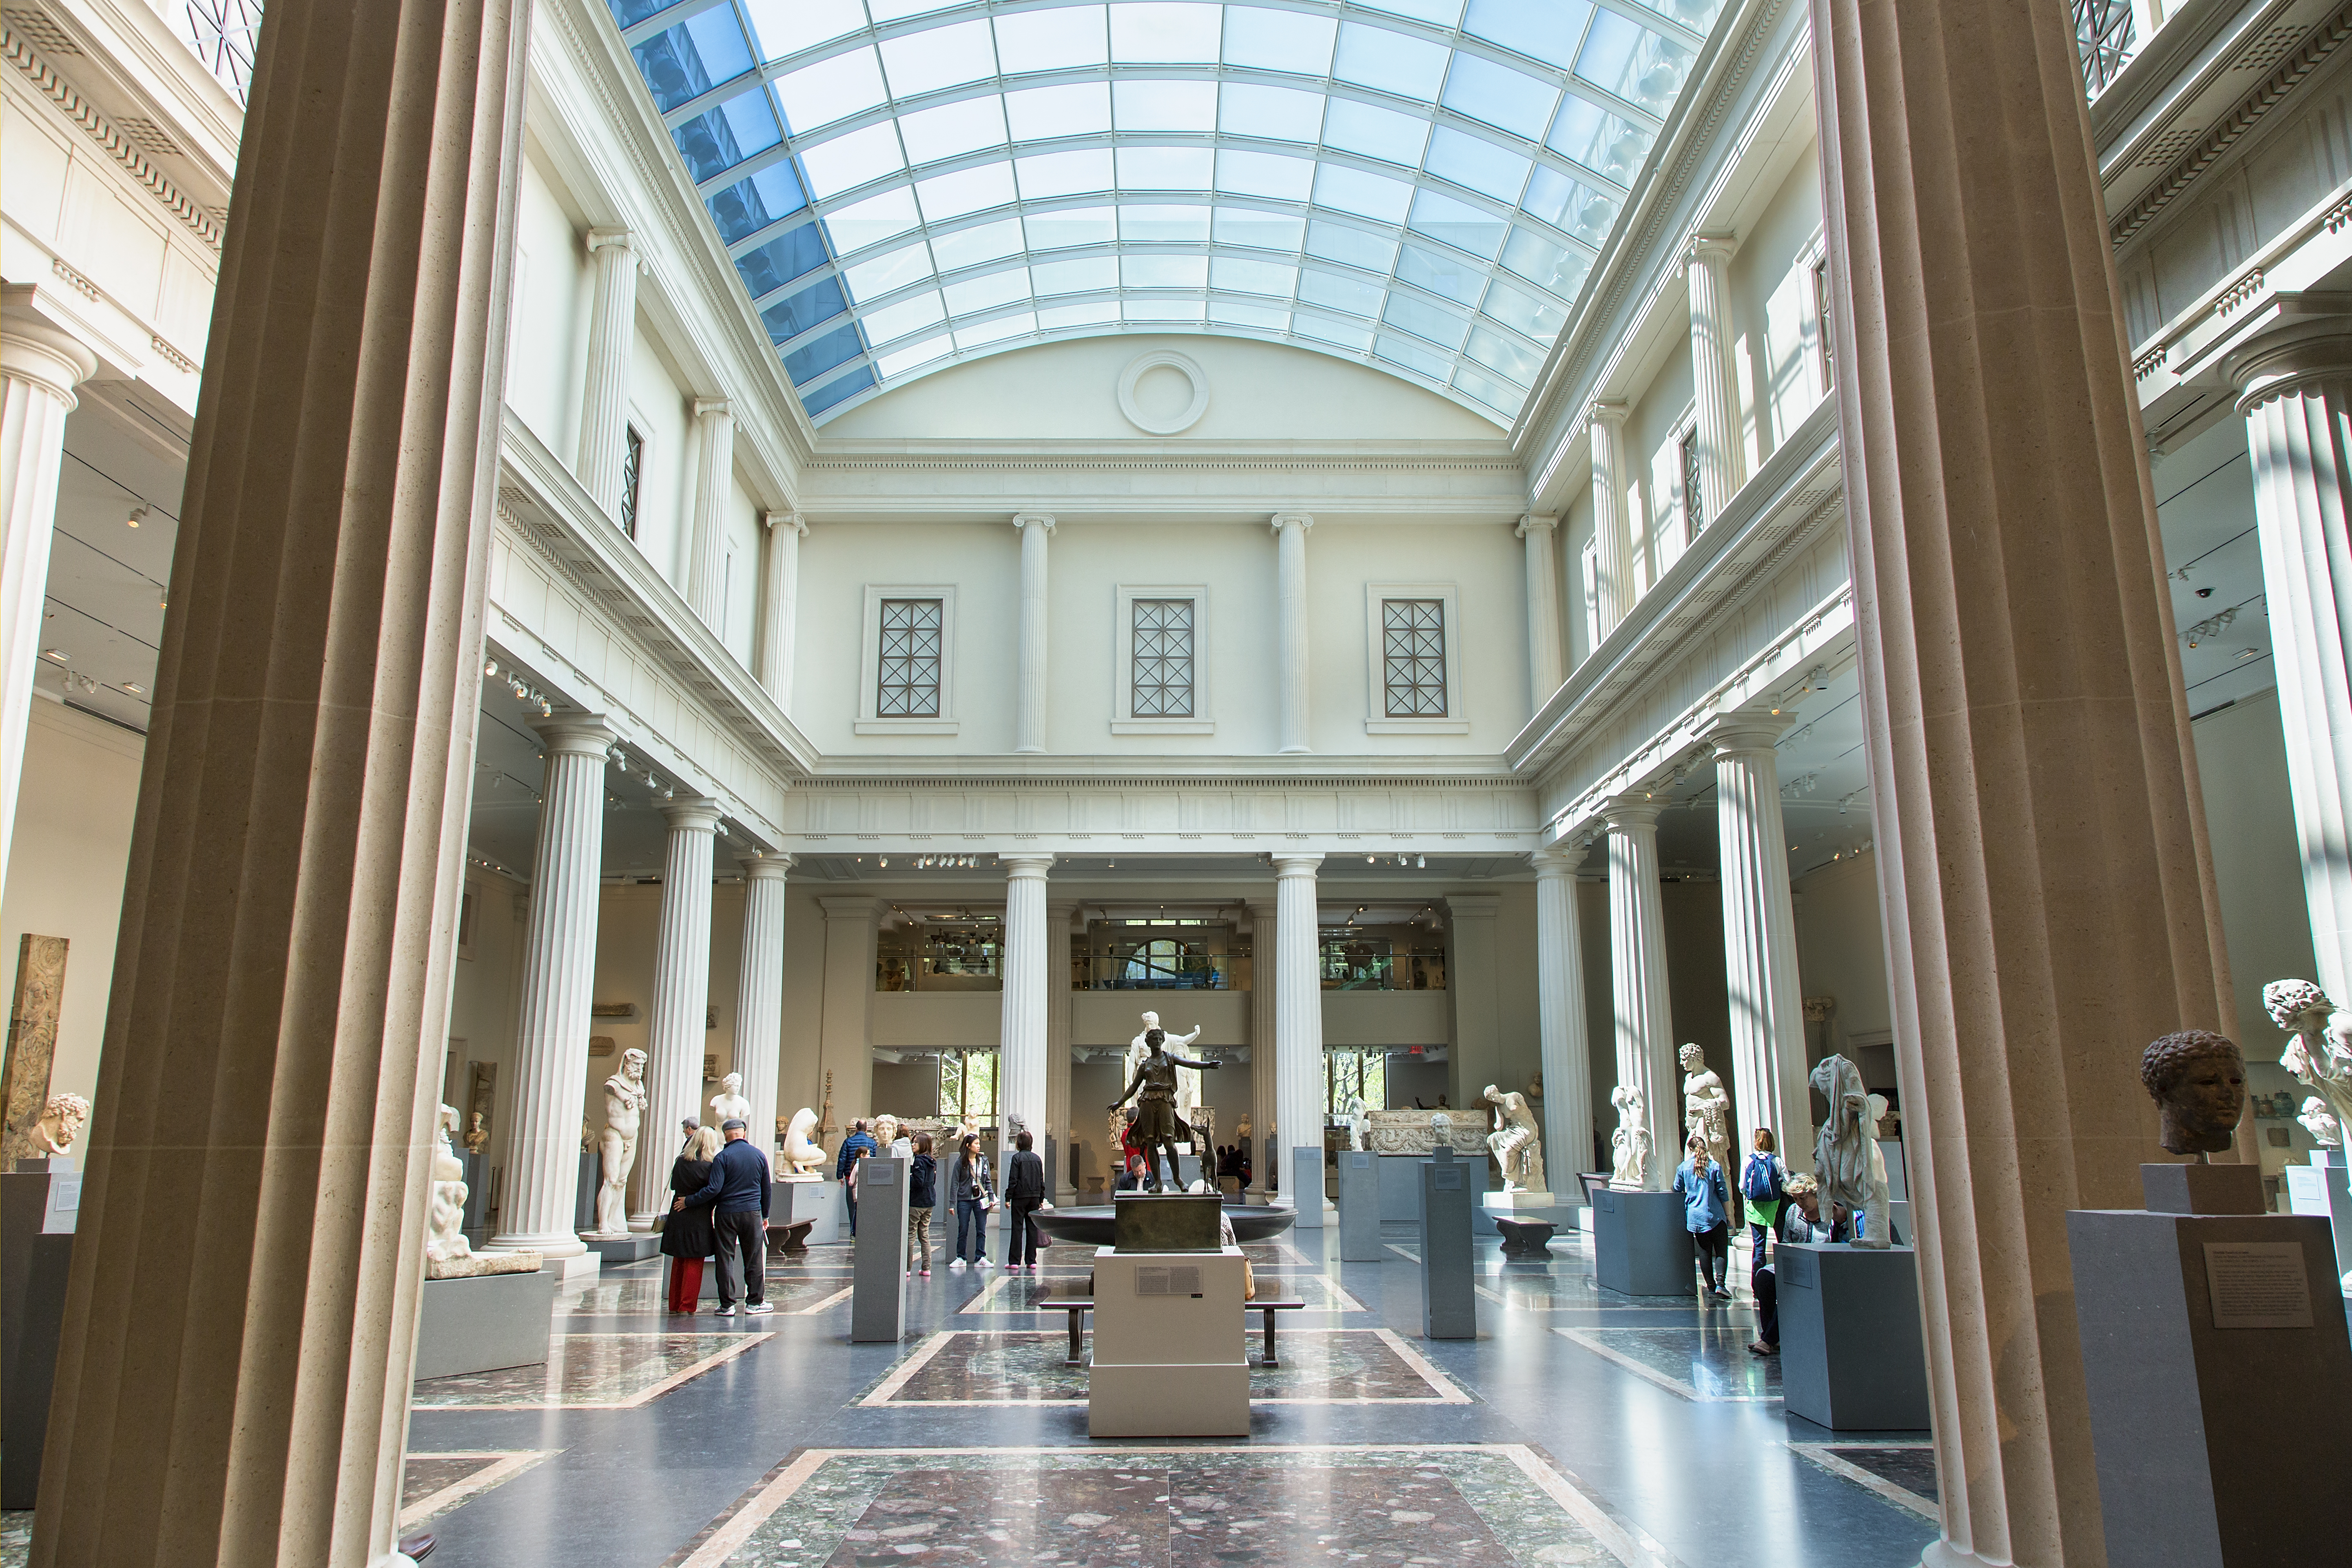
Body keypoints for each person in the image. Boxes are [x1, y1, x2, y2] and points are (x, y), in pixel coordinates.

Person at [673, 1117, 774, 1318]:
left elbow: (714, 1189)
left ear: (726, 1135)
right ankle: (755, 1303)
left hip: (726, 1213)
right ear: (744, 1133)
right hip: (752, 1212)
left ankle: (727, 1305)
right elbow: (767, 1189)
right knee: (754, 1258)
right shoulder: (759, 1155)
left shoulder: (722, 1157)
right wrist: (765, 1215)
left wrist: (689, 1201)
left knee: (725, 1258)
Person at [1751, 1172, 1851, 1355]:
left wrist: (1839, 1219)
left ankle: (1769, 1340)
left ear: (1815, 1193)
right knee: (1764, 1277)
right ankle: (1771, 1336)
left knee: (1796, 1287)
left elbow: (1841, 1242)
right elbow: (1787, 1243)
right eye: (1796, 1199)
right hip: (1795, 1264)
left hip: (1821, 1269)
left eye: (1803, 1198)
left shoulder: (1832, 1213)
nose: (1800, 1203)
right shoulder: (1793, 1213)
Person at [660, 1125, 720, 1313]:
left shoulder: (680, 1162)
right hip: (698, 1217)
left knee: (678, 1261)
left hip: (678, 1214)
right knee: (694, 1263)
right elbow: (713, 1193)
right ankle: (687, 1305)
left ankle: (674, 1304)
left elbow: (674, 1186)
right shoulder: (709, 1167)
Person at [1671, 1132, 1732, 1299]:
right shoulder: (1714, 1166)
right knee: (1721, 1251)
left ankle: (1711, 1287)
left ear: (1690, 1149)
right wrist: (1728, 1215)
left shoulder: (1683, 1168)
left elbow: (1676, 1188)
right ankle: (1721, 1284)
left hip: (1696, 1217)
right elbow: (1723, 1193)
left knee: (1705, 1251)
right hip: (1716, 1215)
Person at [1738, 1128, 1789, 1258]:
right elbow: (1787, 1184)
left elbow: (1742, 1186)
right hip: (1776, 1206)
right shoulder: (1777, 1161)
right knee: (1782, 1242)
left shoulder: (1748, 1160)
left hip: (1755, 1208)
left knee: (1759, 1245)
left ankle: (1757, 1277)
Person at [948, 1132, 995, 1268]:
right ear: (968, 1146)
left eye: (979, 1144)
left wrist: (991, 1197)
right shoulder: (960, 1162)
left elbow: (987, 1181)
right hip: (964, 1200)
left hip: (980, 1200)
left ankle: (981, 1257)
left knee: (981, 1229)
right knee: (963, 1229)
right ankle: (961, 1257)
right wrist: (952, 1203)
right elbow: (954, 1183)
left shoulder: (984, 1161)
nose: (979, 1146)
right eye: (976, 1144)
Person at [1003, 1129, 1046, 1272]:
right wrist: (1041, 1198)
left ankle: (1014, 1261)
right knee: (1032, 1229)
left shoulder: (1017, 1159)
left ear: (1019, 1144)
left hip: (1020, 1197)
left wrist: (1008, 1197)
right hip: (1034, 1197)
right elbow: (1041, 1180)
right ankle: (1031, 1261)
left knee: (1017, 1228)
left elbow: (1013, 1180)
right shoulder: (1037, 1159)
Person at [836, 1119, 876, 1236]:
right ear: (867, 1129)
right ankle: (865, 1230)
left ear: (856, 1129)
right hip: (868, 1179)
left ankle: (853, 1231)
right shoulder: (872, 1143)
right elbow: (876, 1160)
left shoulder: (848, 1142)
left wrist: (840, 1176)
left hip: (850, 1178)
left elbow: (842, 1159)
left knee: (852, 1206)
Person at [907, 1132, 937, 1277]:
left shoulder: (919, 1161)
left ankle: (907, 1268)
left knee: (910, 1235)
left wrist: (908, 1179)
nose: (913, 1145)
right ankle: (927, 1268)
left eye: (915, 1143)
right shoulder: (932, 1161)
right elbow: (932, 1181)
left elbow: (919, 1182)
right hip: (929, 1201)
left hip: (917, 1202)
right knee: (924, 1235)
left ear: (923, 1145)